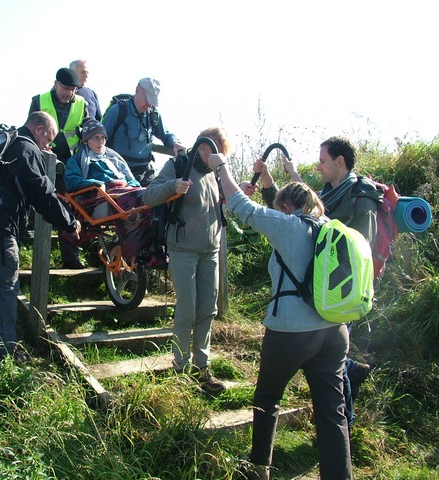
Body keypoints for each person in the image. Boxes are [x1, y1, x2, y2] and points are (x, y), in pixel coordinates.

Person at [209, 155, 353, 480]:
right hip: (334, 331)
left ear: (286, 208)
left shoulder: (288, 227)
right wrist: (272, 177)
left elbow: (243, 208)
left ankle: (259, 468)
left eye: (278, 206)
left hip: (291, 333)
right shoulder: (327, 225)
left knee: (268, 397)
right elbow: (283, 201)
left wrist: (222, 168)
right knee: (332, 411)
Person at [250, 137, 376, 429]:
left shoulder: (359, 197)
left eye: (322, 161)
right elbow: (295, 220)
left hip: (340, 293)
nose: (318, 167)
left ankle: (347, 427)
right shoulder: (332, 193)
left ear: (339, 161)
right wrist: (270, 181)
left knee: (334, 375)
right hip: (317, 293)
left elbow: (360, 249)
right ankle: (345, 402)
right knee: (333, 366)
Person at [0, 111, 81, 359]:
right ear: (39, 128)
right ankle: (4, 348)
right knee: (6, 281)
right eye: (49, 138)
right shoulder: (26, 148)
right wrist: (69, 222)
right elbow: (42, 193)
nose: (49, 145)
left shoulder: (4, 139)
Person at [143, 127, 230, 394]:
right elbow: (148, 195)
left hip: (210, 250)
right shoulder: (179, 164)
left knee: (208, 309)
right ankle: (180, 367)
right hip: (182, 249)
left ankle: (201, 367)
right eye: (216, 153)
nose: (218, 159)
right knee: (188, 307)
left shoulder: (214, 172)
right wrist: (173, 186)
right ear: (204, 147)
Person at [65, 118, 150, 260]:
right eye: (96, 138)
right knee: (138, 196)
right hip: (102, 196)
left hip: (125, 190)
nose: (101, 142)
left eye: (103, 138)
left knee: (150, 194)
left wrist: (133, 185)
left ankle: (148, 247)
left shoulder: (114, 157)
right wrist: (93, 183)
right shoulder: (77, 159)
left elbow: (132, 179)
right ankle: (135, 249)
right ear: (86, 140)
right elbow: (71, 181)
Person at [29, 67, 89, 269]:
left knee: (70, 207)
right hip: (43, 159)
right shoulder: (39, 100)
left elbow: (88, 130)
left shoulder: (82, 104)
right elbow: (30, 130)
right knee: (37, 198)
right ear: (55, 84)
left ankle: (71, 258)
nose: (69, 93)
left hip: (70, 165)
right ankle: (29, 249)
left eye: (73, 89)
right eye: (65, 87)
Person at [102, 78, 185, 186]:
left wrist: (174, 143)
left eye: (153, 101)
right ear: (137, 90)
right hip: (120, 172)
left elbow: (166, 134)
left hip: (146, 172)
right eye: (148, 99)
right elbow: (99, 139)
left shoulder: (153, 114)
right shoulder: (117, 111)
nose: (150, 105)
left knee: (159, 198)